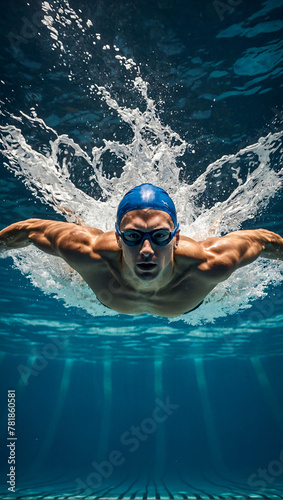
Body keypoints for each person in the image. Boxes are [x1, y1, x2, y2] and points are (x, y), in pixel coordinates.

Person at [0, 183, 282, 317]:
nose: (146, 249)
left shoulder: (211, 263)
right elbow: (29, 229)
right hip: (105, 276)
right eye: (134, 236)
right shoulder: (86, 252)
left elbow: (263, 240)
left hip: (189, 287)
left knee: (212, 235)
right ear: (118, 237)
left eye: (160, 236)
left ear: (177, 237)